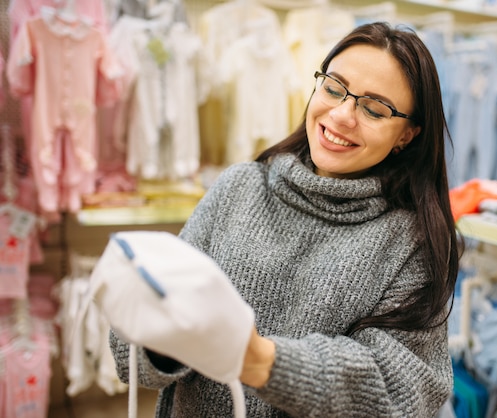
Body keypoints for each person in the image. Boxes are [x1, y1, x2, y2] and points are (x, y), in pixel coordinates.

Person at [110, 21, 462, 417]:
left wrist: (261, 360)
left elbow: (404, 392)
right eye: (333, 88)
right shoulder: (239, 189)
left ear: (407, 135)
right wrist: (162, 337)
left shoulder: (413, 241)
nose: (343, 114)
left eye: (374, 108)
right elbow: (130, 348)